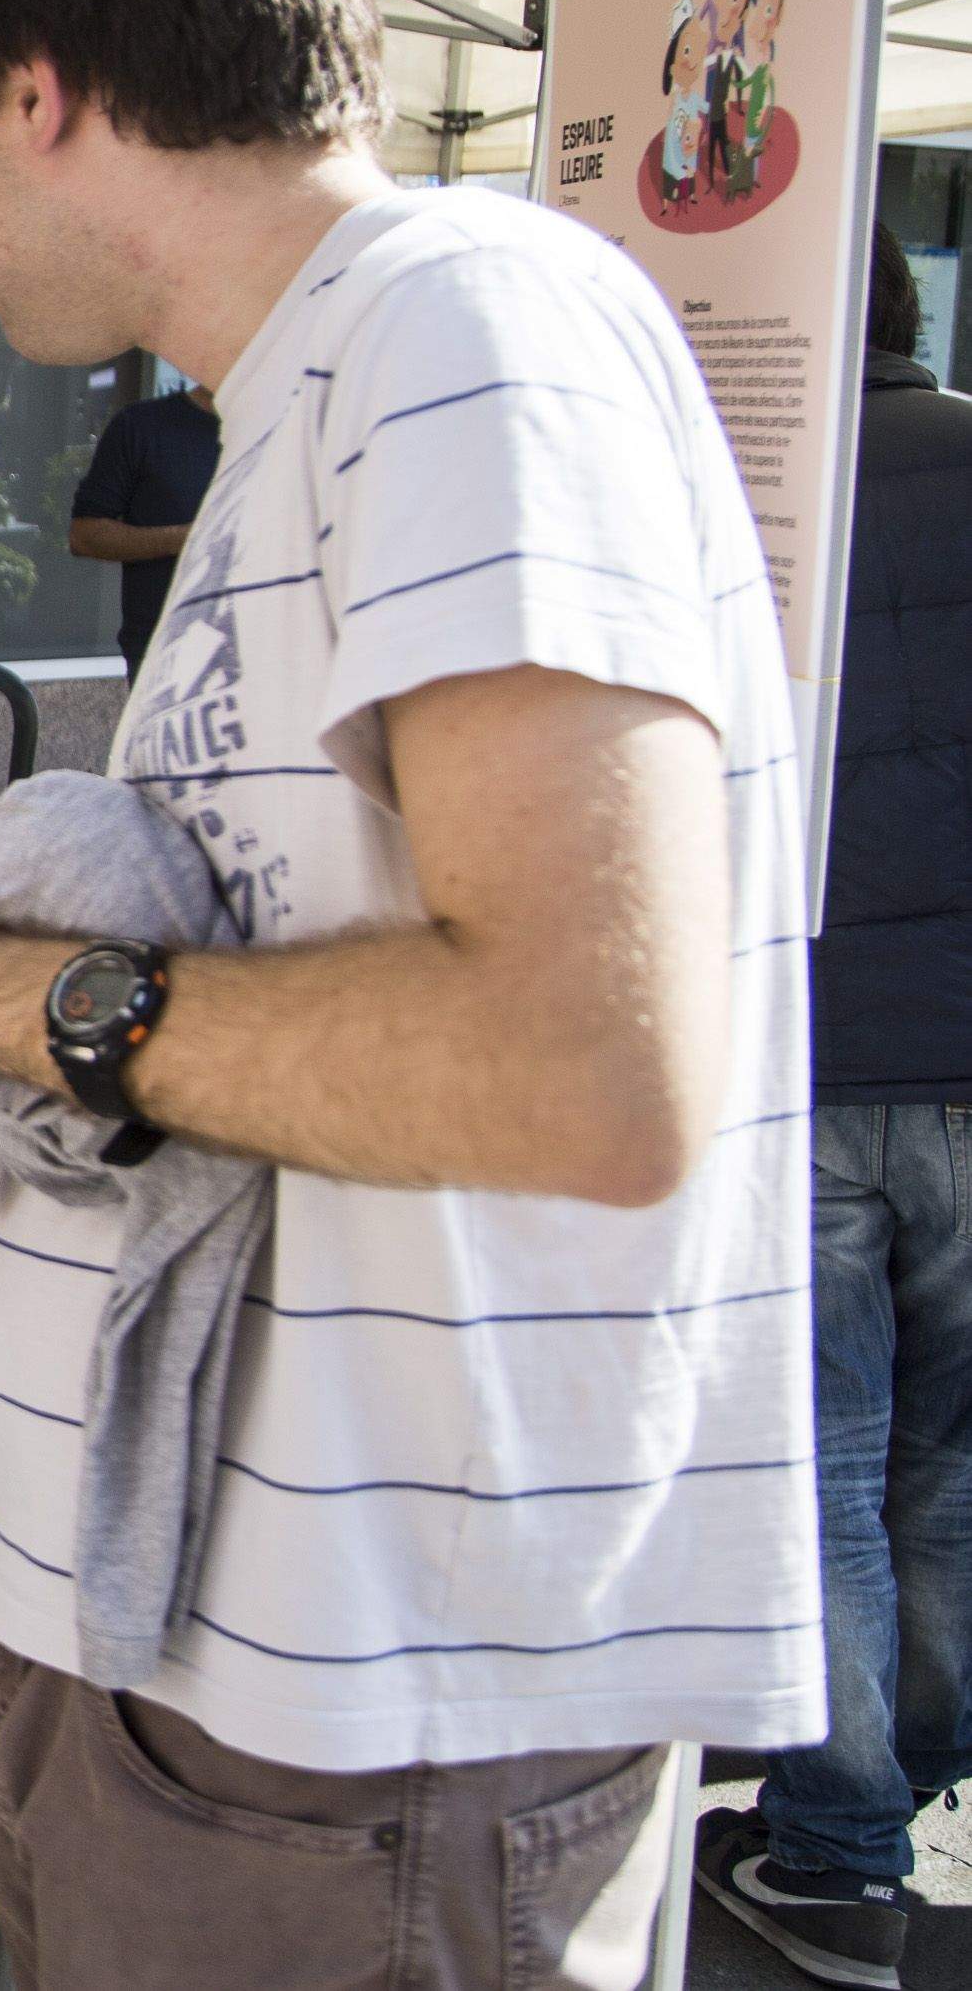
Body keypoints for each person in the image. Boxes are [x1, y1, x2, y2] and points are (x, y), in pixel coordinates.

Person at [0, 0, 814, 1990]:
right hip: (236, 1706)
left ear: (31, 87)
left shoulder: (454, 329)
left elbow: (585, 1067)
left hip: (366, 1737)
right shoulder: (325, 387)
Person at [697, 224, 972, 1988]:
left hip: (801, 1060)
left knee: (827, 1459)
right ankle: (890, 1794)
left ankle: (842, 1846)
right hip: (964, 1064)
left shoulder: (731, 496)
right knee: (946, 1462)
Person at [63, 380, 218, 674]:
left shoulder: (290, 431)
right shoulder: (142, 426)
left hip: (271, 651)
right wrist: (188, 538)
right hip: (167, 653)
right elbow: (85, 536)